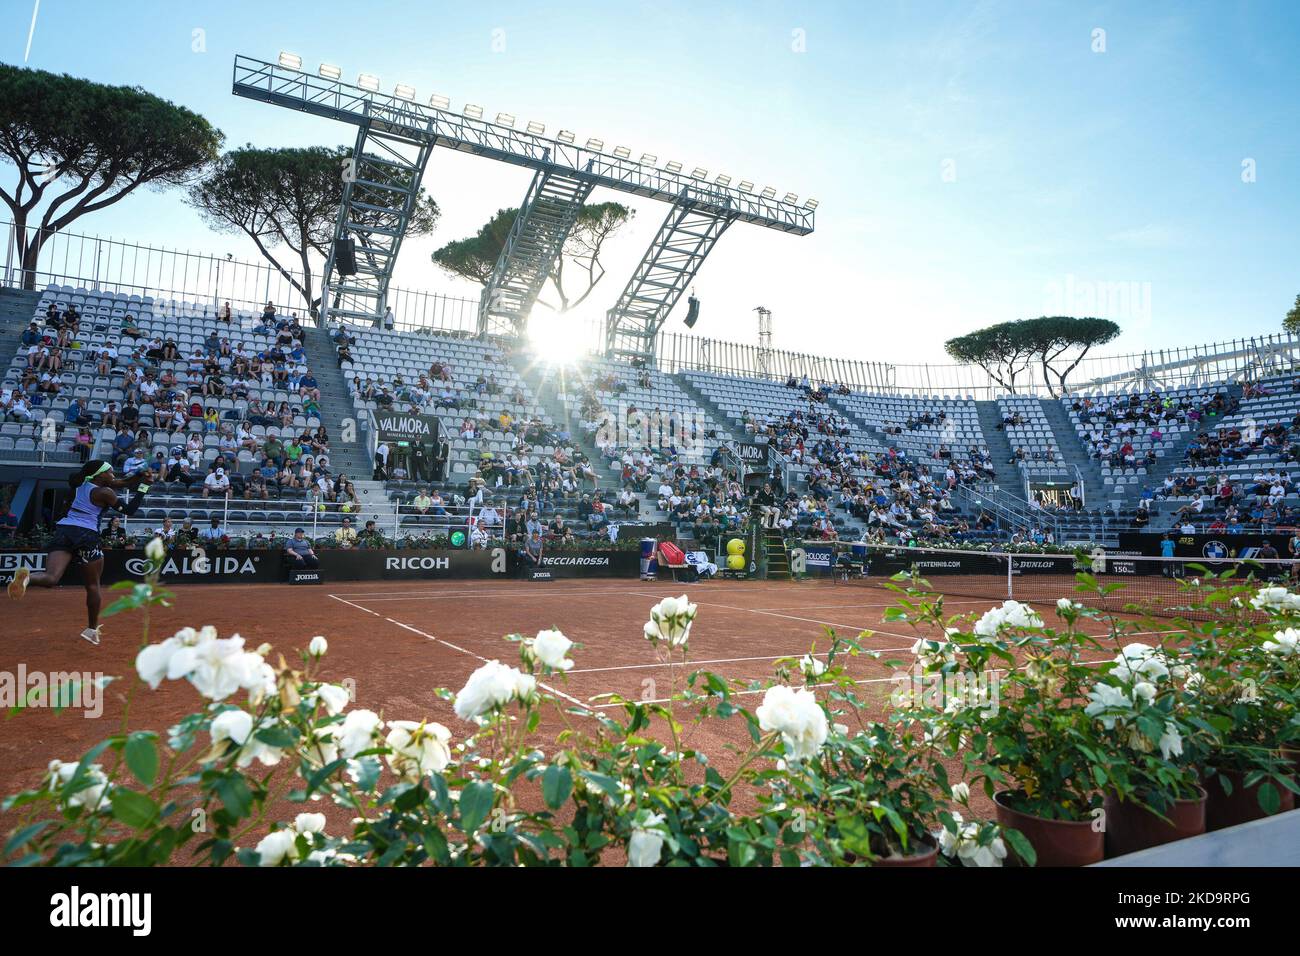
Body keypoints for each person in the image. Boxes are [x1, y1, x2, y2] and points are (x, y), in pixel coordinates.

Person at [7, 459, 152, 644]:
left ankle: (27, 578)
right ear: (100, 475)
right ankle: (91, 630)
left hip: (64, 530)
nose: (113, 475)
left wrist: (140, 476)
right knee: (93, 586)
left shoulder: (81, 484)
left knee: (51, 577)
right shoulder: (104, 492)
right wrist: (144, 487)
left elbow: (121, 482)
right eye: (110, 471)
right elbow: (130, 510)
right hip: (86, 535)